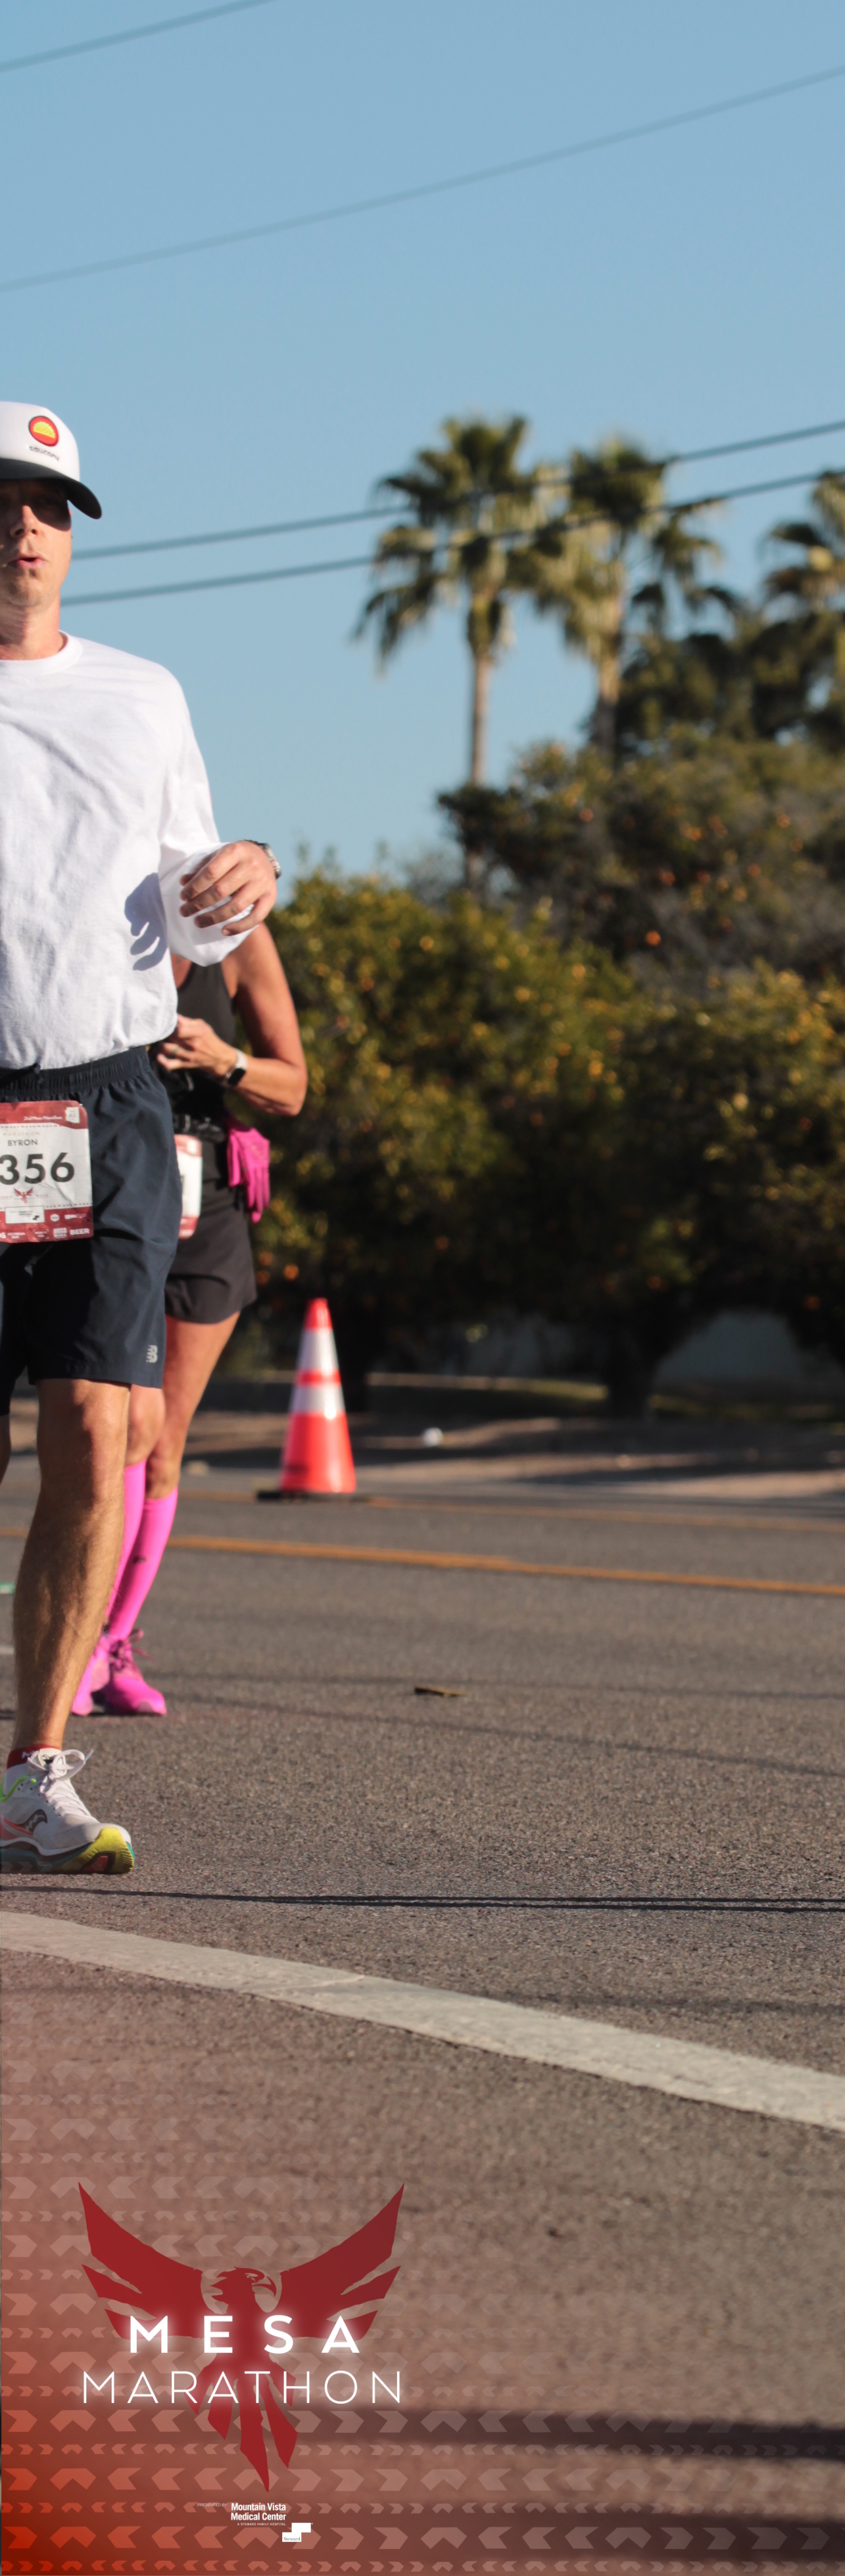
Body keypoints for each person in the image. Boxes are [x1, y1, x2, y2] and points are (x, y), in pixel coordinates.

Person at [1, 401, 278, 1874]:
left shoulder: (141, 695)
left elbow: (195, 898)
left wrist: (249, 872)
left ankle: (31, 1770)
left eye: (49, 506)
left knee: (97, 1430)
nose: (23, 529)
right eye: (2, 500)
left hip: (106, 1101)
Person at [72, 928, 307, 1717]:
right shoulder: (101, 917)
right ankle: (77, 1640)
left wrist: (222, 1059)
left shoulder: (238, 940)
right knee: (124, 1426)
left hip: (205, 1203)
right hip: (108, 1190)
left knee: (165, 1440)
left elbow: (291, 1087)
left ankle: (112, 1645)